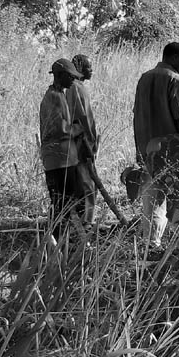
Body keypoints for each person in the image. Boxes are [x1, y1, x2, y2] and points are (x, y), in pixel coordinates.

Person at [133, 42, 179, 247]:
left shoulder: (144, 79)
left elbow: (136, 116)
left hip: (147, 151)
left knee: (151, 202)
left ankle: (151, 245)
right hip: (173, 152)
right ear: (175, 58)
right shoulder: (177, 81)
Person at [39, 57, 96, 241]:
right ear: (61, 76)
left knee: (69, 200)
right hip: (58, 159)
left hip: (66, 158)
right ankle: (55, 240)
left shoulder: (61, 94)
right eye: (70, 76)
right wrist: (78, 129)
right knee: (61, 202)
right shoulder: (53, 97)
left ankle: (64, 239)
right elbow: (59, 128)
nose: (73, 80)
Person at [67, 53, 98, 229]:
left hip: (78, 143)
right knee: (87, 184)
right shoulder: (76, 88)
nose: (91, 71)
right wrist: (90, 142)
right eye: (88, 67)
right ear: (79, 68)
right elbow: (84, 118)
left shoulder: (74, 87)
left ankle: (81, 220)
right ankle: (86, 221)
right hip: (81, 143)